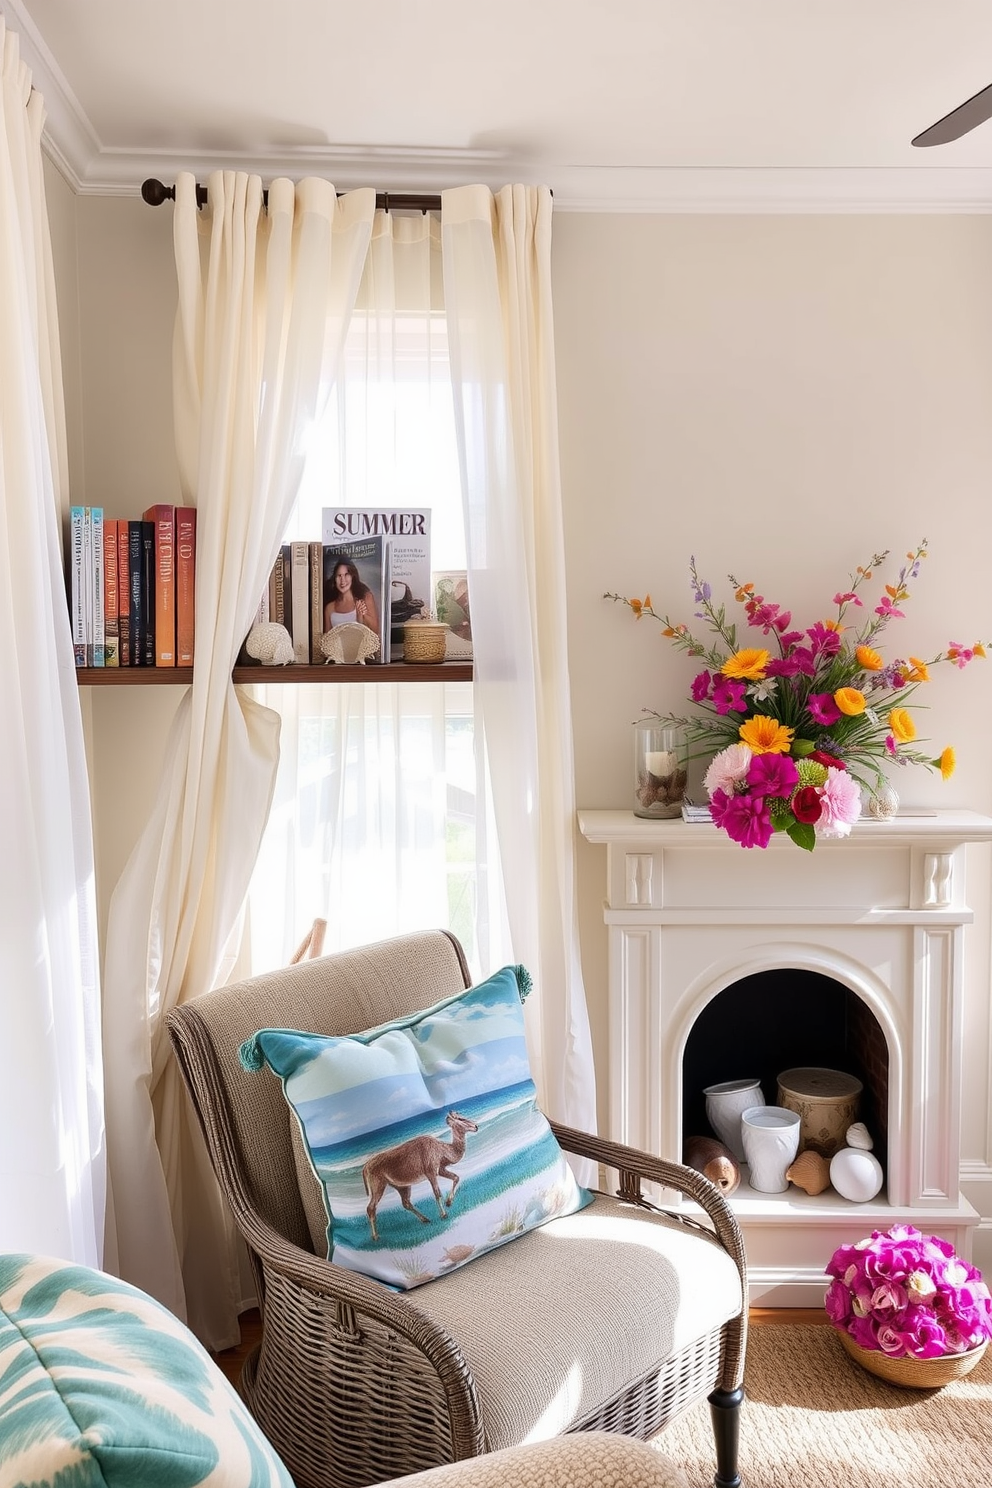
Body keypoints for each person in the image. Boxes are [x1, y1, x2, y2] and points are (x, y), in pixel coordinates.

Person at [324, 558, 380, 635]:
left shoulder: (365, 597)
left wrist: (362, 616)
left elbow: (375, 631)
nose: (342, 580)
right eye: (339, 576)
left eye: (346, 574)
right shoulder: (329, 608)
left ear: (353, 576)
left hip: (361, 646)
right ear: (334, 579)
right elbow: (327, 641)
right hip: (337, 647)